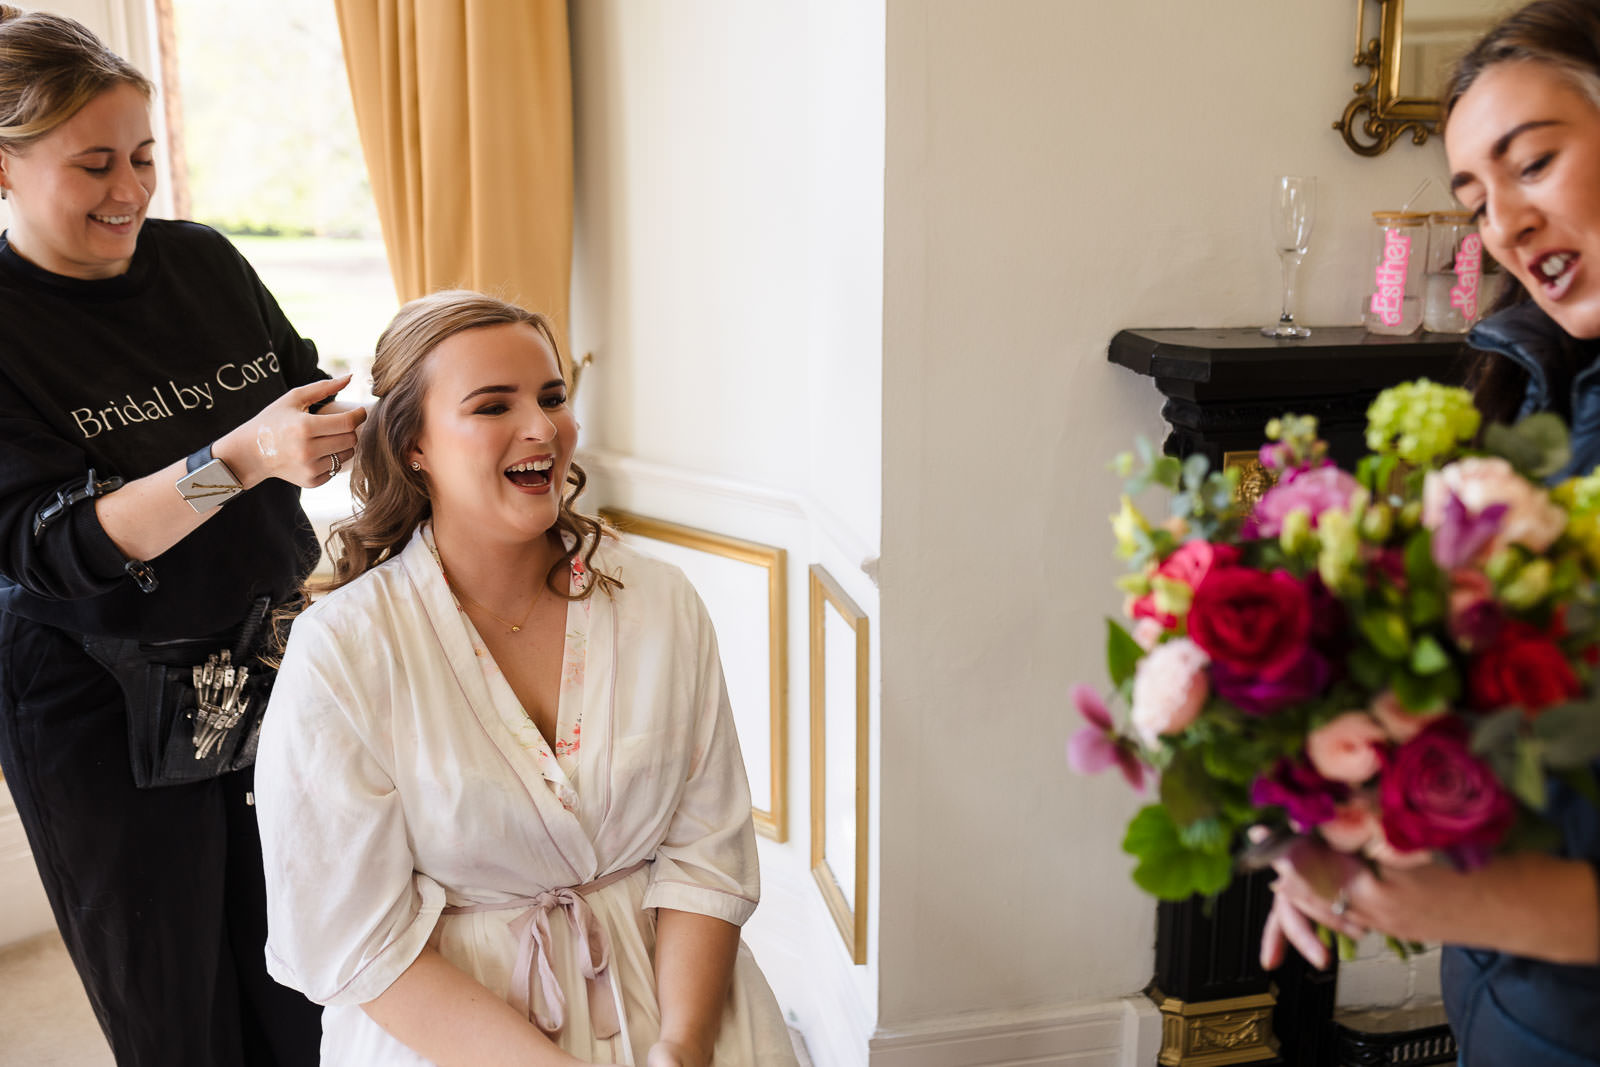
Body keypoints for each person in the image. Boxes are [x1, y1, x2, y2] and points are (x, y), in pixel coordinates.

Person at [253, 290, 798, 1067]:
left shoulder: (658, 602)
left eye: (552, 396)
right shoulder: (344, 651)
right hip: (459, 1035)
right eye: (492, 405)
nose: (543, 427)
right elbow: (353, 941)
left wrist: (681, 1044)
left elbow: (706, 856)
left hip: (681, 1009)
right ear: (413, 445)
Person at [0, 8, 366, 1065]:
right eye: (96, 163)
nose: (130, 189)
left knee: (302, 975)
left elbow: (300, 394)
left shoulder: (200, 260)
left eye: (146, 156)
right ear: (7, 169)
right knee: (174, 1007)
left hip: (268, 658)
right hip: (97, 701)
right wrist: (240, 459)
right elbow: (47, 548)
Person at [1261, 3, 1600, 1064]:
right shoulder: (1545, 394)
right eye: (1474, 198)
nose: (1503, 222)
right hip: (1510, 1013)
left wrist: (1411, 892)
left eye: (1532, 162)